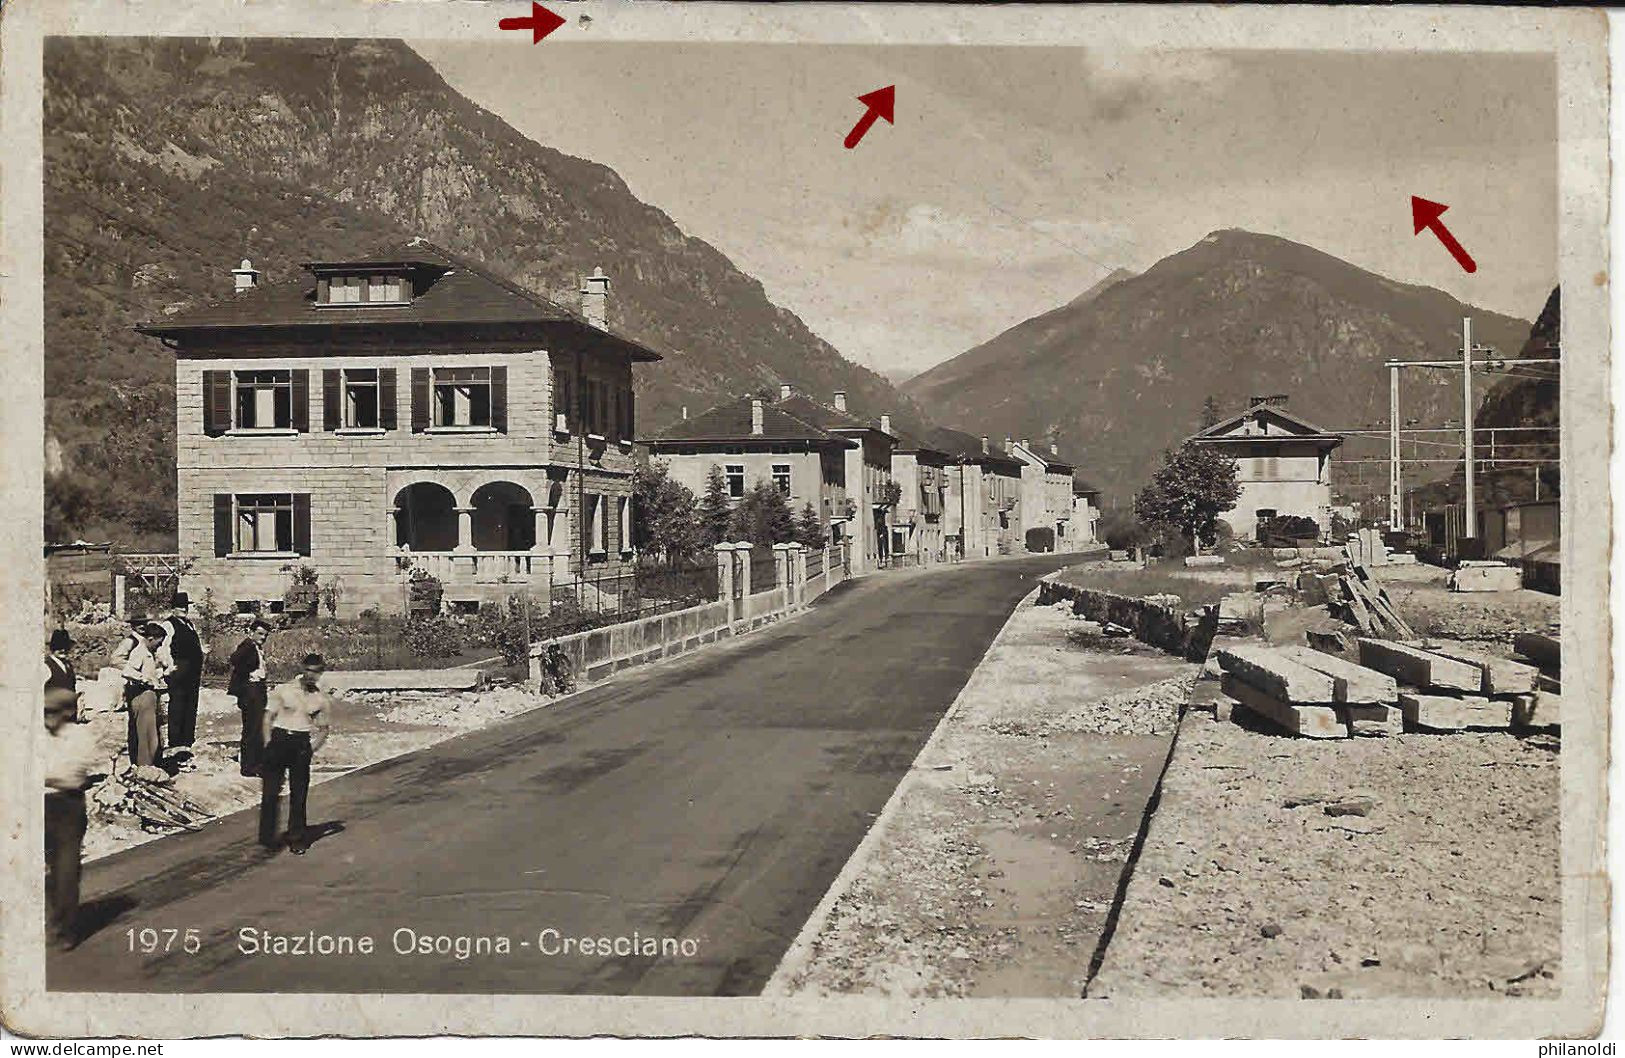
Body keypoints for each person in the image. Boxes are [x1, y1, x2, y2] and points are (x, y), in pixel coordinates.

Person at [259, 653, 332, 855]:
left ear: (320, 674)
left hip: (301, 743)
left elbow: (324, 729)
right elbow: (267, 717)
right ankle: (267, 839)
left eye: (316, 672)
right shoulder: (284, 690)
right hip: (279, 740)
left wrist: (310, 749)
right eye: (308, 670)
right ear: (302, 669)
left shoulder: (320, 699)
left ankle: (297, 838)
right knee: (270, 792)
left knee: (299, 794)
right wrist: (268, 744)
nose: (311, 675)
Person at [44, 686, 99, 949]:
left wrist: (43, 776)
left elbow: (72, 777)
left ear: (66, 713)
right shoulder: (41, 737)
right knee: (50, 869)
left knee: (66, 868)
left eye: (53, 712)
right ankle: (55, 918)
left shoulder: (79, 738)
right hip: (43, 804)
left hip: (67, 806)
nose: (48, 718)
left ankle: (66, 928)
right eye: (44, 712)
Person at [159, 592, 206, 771]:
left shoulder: (189, 624)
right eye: (180, 606)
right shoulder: (168, 625)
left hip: (192, 673)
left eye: (186, 606)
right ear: (173, 608)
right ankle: (175, 746)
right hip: (179, 671)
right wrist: (170, 667)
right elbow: (164, 648)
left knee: (190, 706)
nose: (184, 609)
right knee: (178, 708)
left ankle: (187, 744)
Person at [228, 620, 272, 777]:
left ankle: (256, 764)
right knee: (252, 729)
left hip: (257, 690)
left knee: (257, 728)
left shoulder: (256, 647)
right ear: (251, 632)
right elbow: (234, 659)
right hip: (251, 691)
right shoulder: (247, 645)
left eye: (265, 635)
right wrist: (247, 676)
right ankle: (249, 767)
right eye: (260, 633)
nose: (263, 637)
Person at [120, 622, 166, 771]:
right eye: (158, 643)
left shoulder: (149, 653)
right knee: (145, 734)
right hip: (142, 696)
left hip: (150, 696)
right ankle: (145, 767)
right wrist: (144, 679)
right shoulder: (139, 652)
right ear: (150, 638)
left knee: (152, 733)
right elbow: (127, 671)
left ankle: (152, 763)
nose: (159, 647)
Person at [44, 628, 79, 721]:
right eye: (58, 647)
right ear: (52, 648)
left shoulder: (68, 665)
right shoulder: (46, 666)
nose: (63, 650)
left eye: (65, 647)